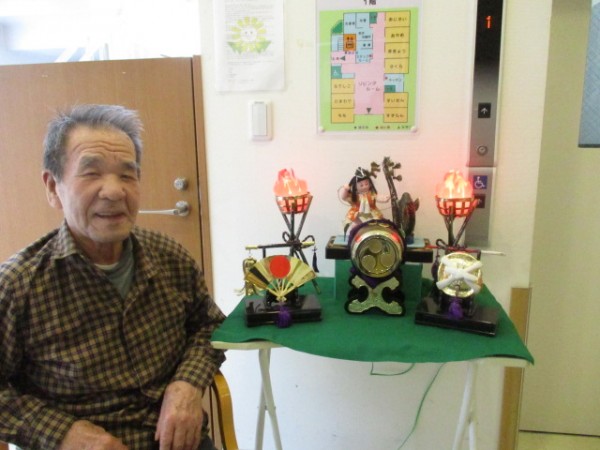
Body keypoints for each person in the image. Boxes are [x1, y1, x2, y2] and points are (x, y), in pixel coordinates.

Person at [0, 104, 226, 450]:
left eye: (127, 175)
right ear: (53, 187)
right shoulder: (19, 284)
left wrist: (187, 385)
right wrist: (62, 433)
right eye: (91, 173)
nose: (114, 191)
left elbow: (209, 326)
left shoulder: (169, 257)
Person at [340, 166, 388, 235]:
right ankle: (357, 233)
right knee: (356, 225)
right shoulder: (355, 196)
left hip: (372, 211)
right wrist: (345, 189)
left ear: (370, 184)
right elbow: (343, 197)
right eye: (361, 185)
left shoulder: (371, 194)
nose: (365, 186)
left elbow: (377, 197)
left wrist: (384, 198)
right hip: (357, 212)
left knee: (378, 222)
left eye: (366, 184)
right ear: (355, 186)